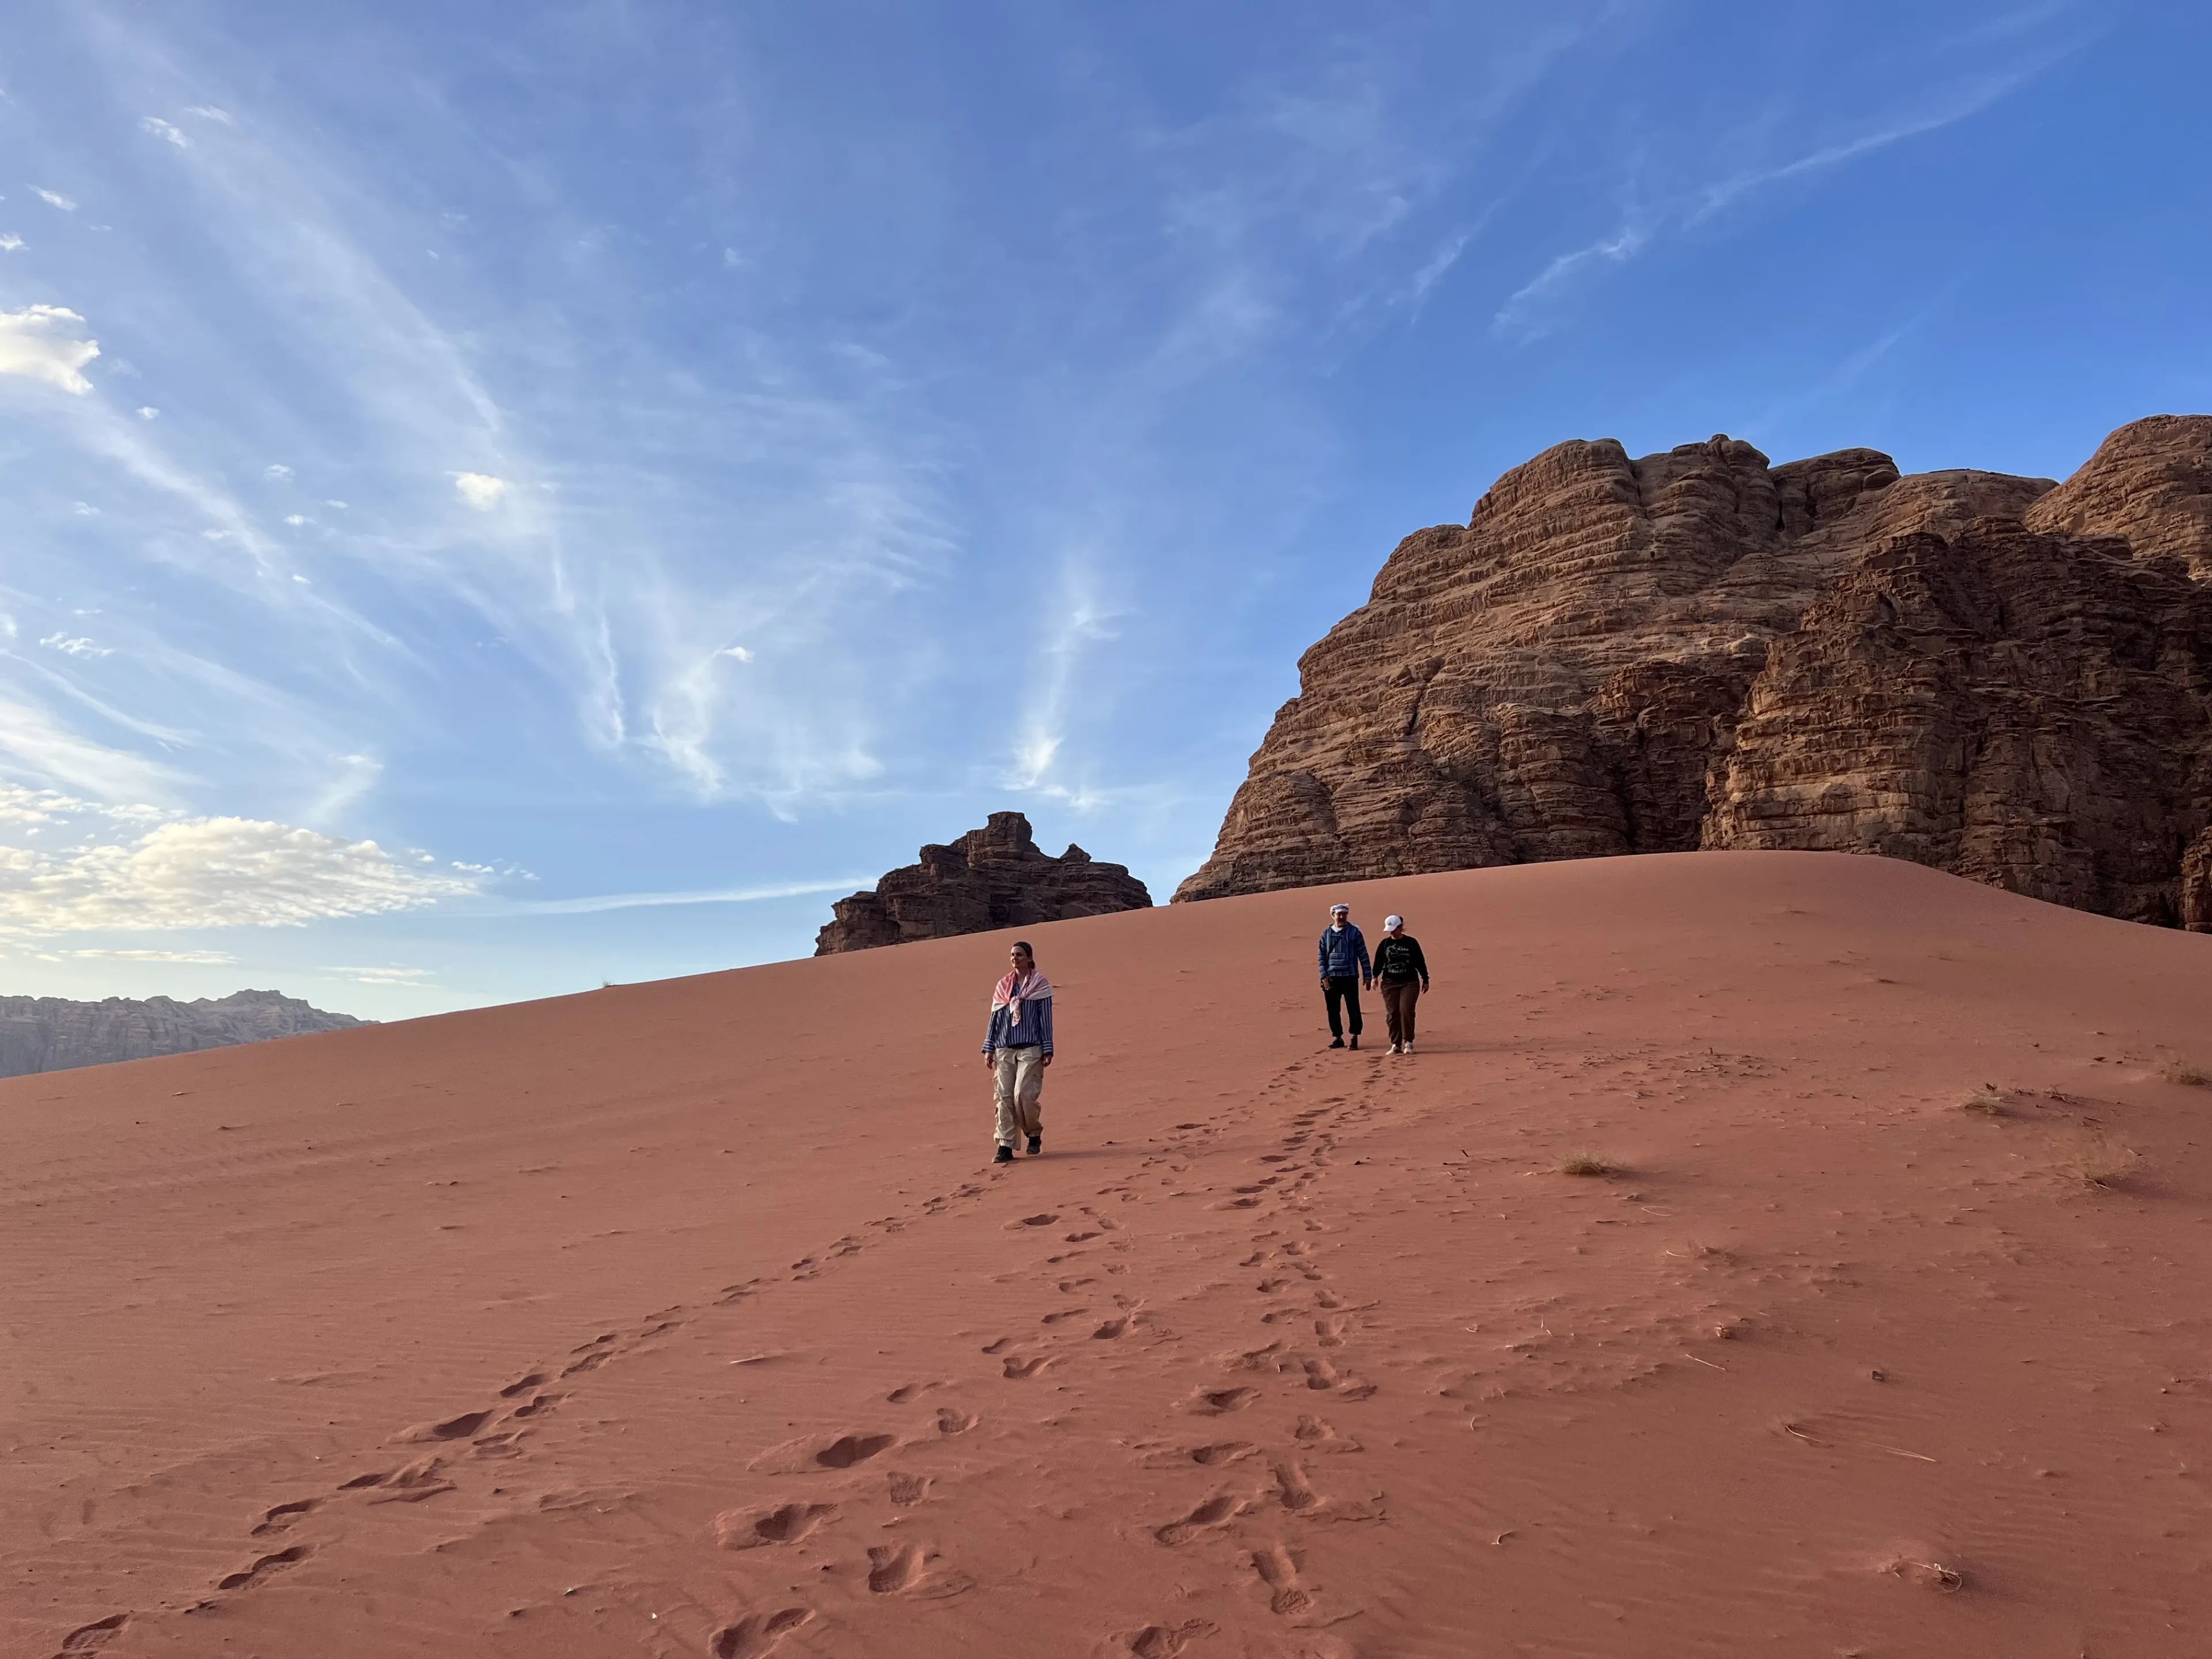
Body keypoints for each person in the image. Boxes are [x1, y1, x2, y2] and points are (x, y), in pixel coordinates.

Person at [983, 940, 1054, 1164]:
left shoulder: (1040, 985)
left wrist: (1048, 1047)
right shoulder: (1003, 986)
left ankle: (1034, 1133)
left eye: (1020, 955)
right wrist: (989, 1047)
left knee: (1023, 1094)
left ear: (1030, 958)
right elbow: (994, 1017)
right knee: (1003, 1098)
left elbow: (1046, 1019)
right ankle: (1005, 1145)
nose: (1015, 958)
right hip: (1004, 1048)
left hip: (1031, 1048)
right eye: (1013, 955)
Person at [1317, 902, 1372, 1050]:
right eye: (1339, 914)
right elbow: (1321, 956)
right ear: (1333, 915)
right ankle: (1338, 1037)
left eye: (1344, 914)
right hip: (1332, 978)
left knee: (1353, 1008)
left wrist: (1368, 976)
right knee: (1333, 1009)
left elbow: (1363, 955)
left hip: (1350, 976)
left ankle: (1355, 1036)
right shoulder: (1326, 934)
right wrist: (1324, 975)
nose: (1342, 917)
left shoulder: (1354, 933)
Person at [1373, 914, 1430, 1054]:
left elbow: (1420, 962)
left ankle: (1408, 1042)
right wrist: (1375, 977)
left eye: (1394, 929)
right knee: (1393, 1013)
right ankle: (1395, 1044)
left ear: (1400, 928)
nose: (1391, 931)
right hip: (1390, 983)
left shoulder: (1411, 943)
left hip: (1409, 982)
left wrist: (1425, 979)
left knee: (1406, 1011)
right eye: (1389, 929)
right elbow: (1379, 962)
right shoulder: (1385, 944)